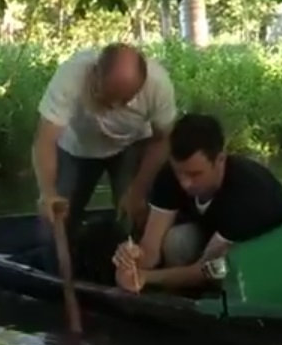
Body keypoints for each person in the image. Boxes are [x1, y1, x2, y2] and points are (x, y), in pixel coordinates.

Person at [111, 113, 282, 292]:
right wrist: (132, 259)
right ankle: (181, 296)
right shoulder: (169, 177)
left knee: (223, 268)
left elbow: (205, 270)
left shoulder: (248, 194)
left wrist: (145, 277)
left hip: (273, 256)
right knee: (178, 241)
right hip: (213, 241)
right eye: (179, 172)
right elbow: (150, 250)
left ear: (220, 160)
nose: (185, 183)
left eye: (195, 174)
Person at [33, 43, 177, 266]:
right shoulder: (70, 76)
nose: (115, 106)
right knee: (57, 220)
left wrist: (138, 189)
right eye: (108, 97)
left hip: (131, 145)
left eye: (125, 100)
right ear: (94, 74)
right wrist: (47, 192)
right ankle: (54, 273)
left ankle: (135, 274)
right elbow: (45, 139)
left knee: (131, 218)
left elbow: (163, 140)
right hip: (76, 148)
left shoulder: (158, 85)